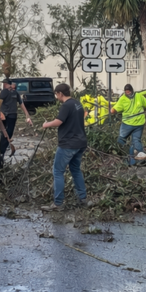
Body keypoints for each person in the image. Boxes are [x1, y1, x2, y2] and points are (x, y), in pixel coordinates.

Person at [40, 83, 87, 211]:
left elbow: (59, 121)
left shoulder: (66, 105)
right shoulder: (77, 104)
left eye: (56, 94)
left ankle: (58, 203)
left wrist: (46, 125)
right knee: (76, 170)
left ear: (60, 93)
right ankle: (83, 198)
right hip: (80, 142)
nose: (56, 97)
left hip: (68, 144)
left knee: (58, 171)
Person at [110, 84, 146, 165]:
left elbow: (113, 111)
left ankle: (130, 156)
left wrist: (112, 110)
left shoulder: (123, 99)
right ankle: (138, 155)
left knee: (121, 140)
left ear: (125, 91)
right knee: (136, 140)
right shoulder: (138, 96)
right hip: (139, 124)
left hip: (127, 124)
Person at [0, 78, 31, 159]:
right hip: (4, 115)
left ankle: (3, 149)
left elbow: (21, 103)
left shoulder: (15, 92)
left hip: (12, 114)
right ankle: (2, 151)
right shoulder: (4, 91)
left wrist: (27, 114)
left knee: (9, 132)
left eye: (5, 84)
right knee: (4, 132)